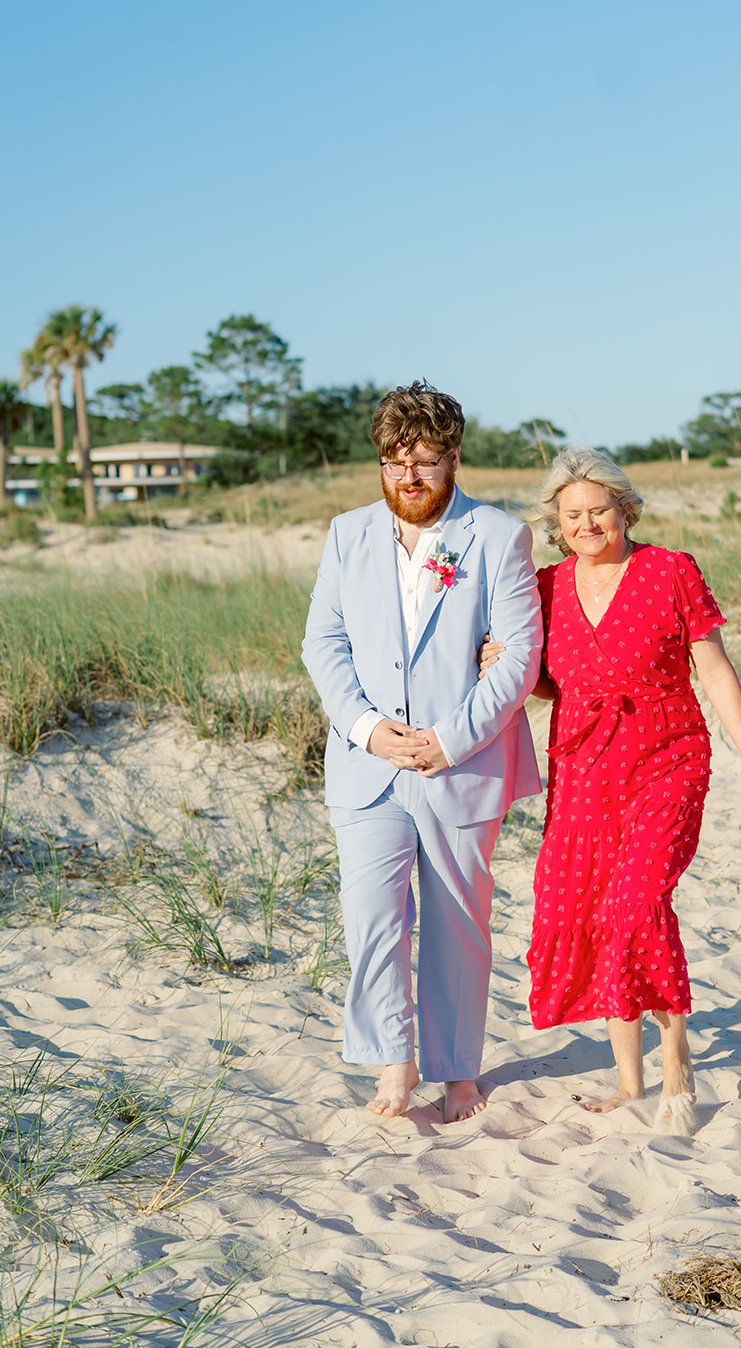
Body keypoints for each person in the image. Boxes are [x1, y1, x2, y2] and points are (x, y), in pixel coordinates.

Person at [486, 447, 741, 1121]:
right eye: (572, 515)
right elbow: (548, 683)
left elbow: (715, 672)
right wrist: (503, 664)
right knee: (585, 908)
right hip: (583, 768)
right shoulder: (544, 588)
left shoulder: (669, 571)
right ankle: (629, 1081)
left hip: (667, 757)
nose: (587, 524)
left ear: (626, 508)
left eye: (599, 511)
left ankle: (675, 1069)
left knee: (634, 904)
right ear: (556, 524)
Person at [302, 381, 542, 1123]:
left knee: (457, 927)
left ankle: (458, 1071)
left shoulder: (498, 536)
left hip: (460, 765)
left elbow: (519, 656)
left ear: (454, 457)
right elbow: (324, 642)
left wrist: (448, 739)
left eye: (426, 461)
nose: (409, 476)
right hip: (367, 766)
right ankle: (394, 1065)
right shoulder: (346, 534)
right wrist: (366, 727)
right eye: (395, 461)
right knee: (371, 921)